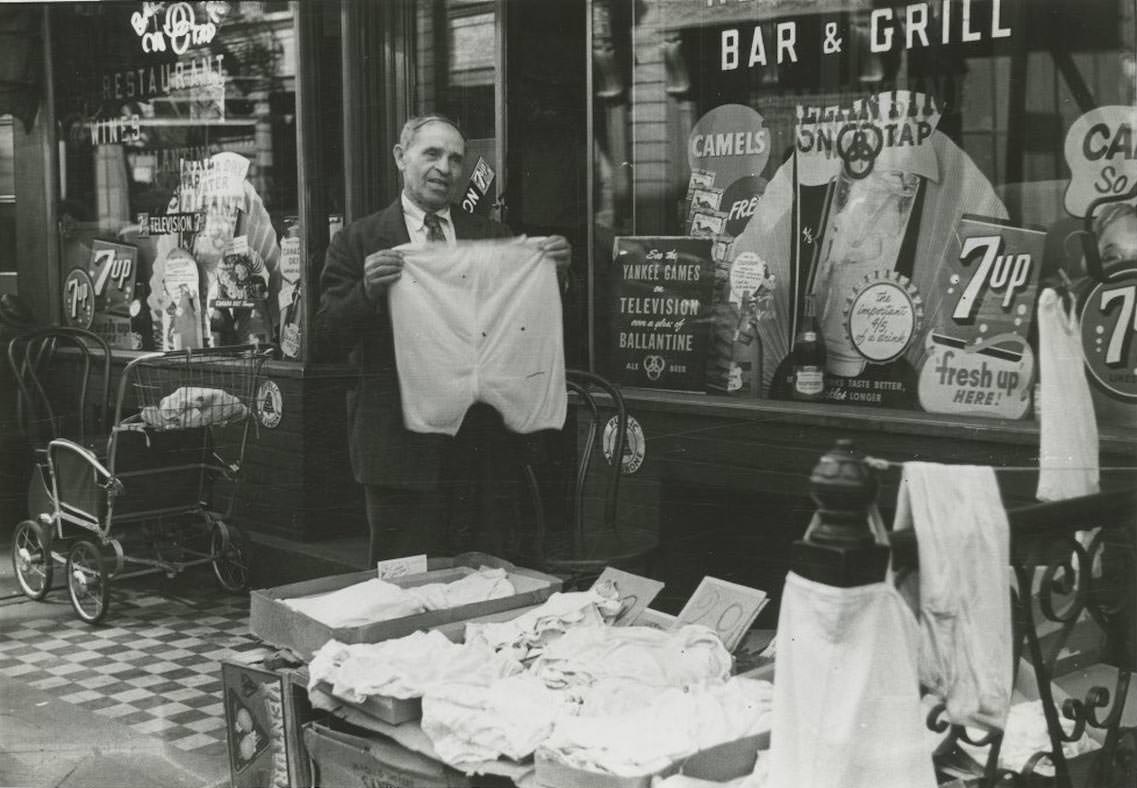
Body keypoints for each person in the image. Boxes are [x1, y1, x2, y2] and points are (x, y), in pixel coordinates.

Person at [315, 113, 571, 566]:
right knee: (405, 588)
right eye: (431, 154)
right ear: (401, 157)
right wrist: (366, 292)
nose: (444, 168)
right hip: (398, 452)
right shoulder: (358, 241)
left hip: (481, 451)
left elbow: (523, 326)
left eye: (455, 158)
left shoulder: (492, 237)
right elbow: (327, 337)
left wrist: (554, 273)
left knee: (486, 581)